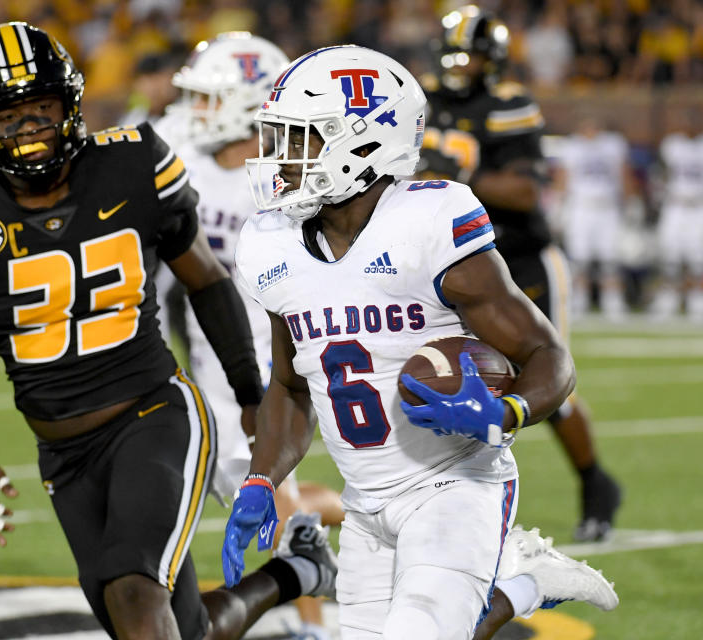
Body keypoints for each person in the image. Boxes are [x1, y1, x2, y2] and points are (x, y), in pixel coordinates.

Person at [0, 22, 338, 640]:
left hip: (153, 413)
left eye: (42, 109)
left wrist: (249, 395)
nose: (29, 128)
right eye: (10, 117)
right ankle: (296, 573)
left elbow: (208, 281)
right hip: (63, 453)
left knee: (134, 592)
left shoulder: (132, 163)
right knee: (177, 627)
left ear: (71, 105)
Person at [222, 44, 618, 639]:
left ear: (362, 142)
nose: (281, 157)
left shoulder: (431, 221)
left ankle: (516, 580)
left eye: (300, 138)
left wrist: (508, 409)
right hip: (364, 501)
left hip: (456, 482)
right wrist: (262, 477)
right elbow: (289, 384)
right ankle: (525, 581)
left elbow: (547, 355)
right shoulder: (270, 242)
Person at [160, 31, 345, 640]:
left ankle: (311, 621)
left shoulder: (284, 176)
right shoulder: (185, 157)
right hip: (209, 351)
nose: (198, 111)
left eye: (213, 99)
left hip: (268, 349)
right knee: (247, 486)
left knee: (265, 485)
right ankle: (383, 512)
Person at [421, 5, 621, 542]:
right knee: (446, 373)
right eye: (453, 55)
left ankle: (596, 483)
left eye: (470, 57)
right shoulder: (419, 97)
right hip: (452, 263)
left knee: (542, 376)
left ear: (492, 60)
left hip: (522, 259)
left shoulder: (508, 106)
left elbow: (526, 191)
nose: (458, 66)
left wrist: (459, 173)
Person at [552, 111, 634, 319]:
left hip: (607, 207)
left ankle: (612, 300)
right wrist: (558, 205)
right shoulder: (572, 146)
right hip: (581, 207)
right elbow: (563, 177)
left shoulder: (613, 144)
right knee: (580, 258)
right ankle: (580, 300)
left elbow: (624, 172)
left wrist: (632, 201)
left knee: (610, 257)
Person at [650, 107, 703, 318]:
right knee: (671, 253)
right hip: (676, 205)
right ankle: (668, 298)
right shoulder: (672, 144)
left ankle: (696, 299)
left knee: (697, 257)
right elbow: (662, 173)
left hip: (698, 206)